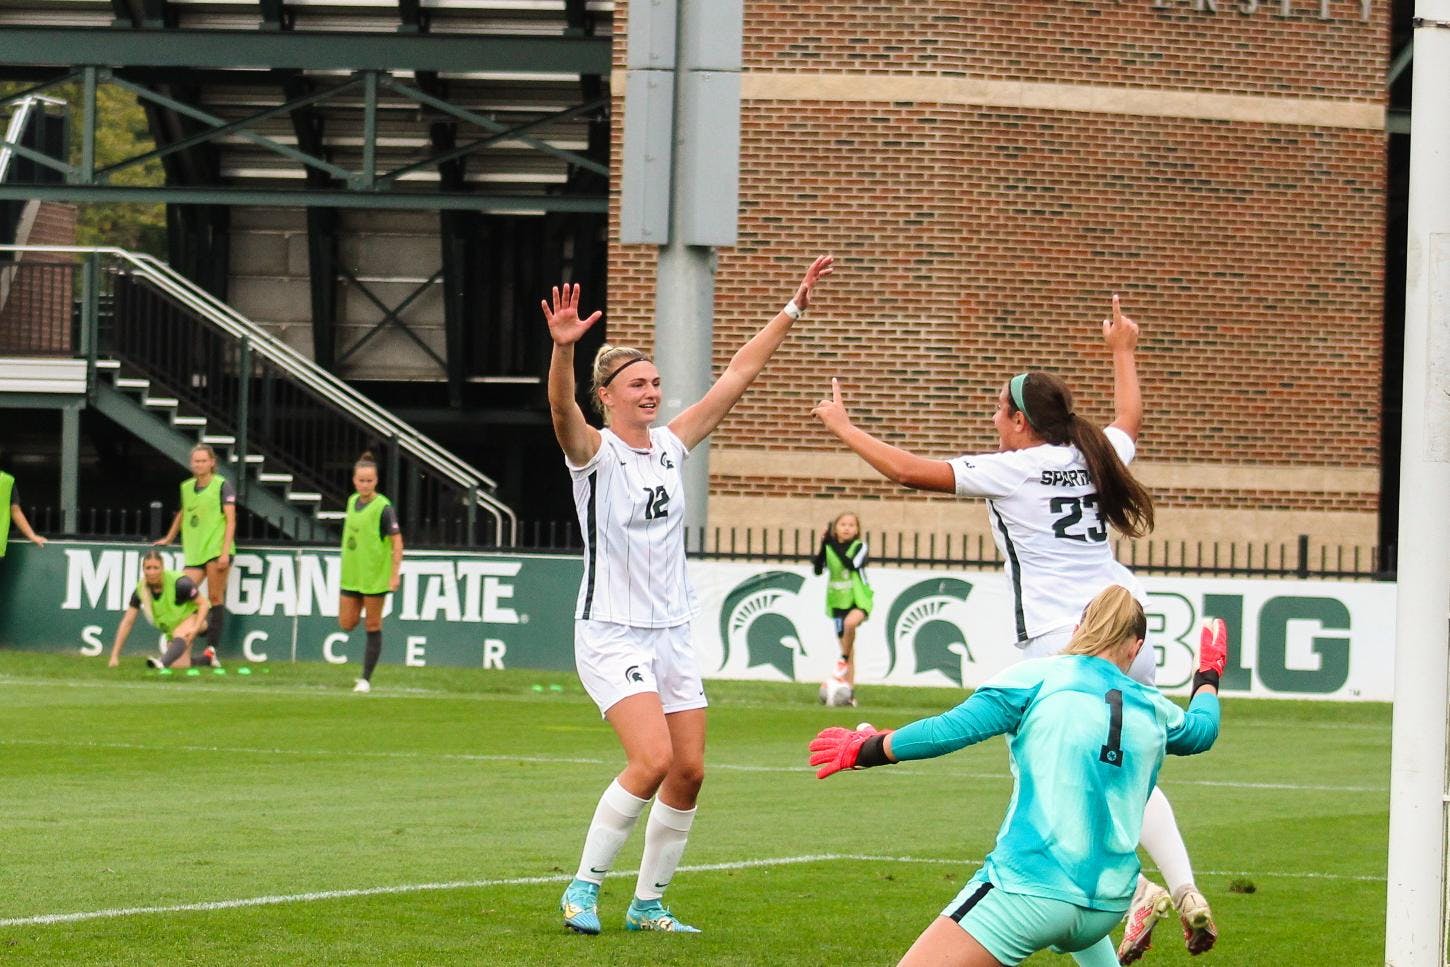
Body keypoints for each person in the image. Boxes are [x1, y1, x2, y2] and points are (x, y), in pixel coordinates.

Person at [810, 296, 1217, 961]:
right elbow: (1130, 419)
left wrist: (842, 425)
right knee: (1114, 771)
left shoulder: (1014, 467)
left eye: (998, 412)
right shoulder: (1095, 453)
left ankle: (1137, 884)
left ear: (1021, 422)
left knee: (1042, 789)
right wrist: (1123, 349)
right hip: (1129, 625)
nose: (992, 422)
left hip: (1064, 644)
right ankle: (1164, 881)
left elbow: (908, 471)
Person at [543, 255, 834, 936]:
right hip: (611, 630)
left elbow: (738, 372)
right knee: (652, 760)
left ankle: (647, 904)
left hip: (671, 631)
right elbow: (560, 408)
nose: (651, 392)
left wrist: (791, 308)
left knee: (691, 770)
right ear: (606, 395)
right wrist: (564, 350)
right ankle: (582, 889)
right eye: (637, 384)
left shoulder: (672, 446)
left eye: (656, 383)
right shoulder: (593, 453)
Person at [808, 586, 1226, 967]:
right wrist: (1208, 675)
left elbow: (949, 730)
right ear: (1135, 649)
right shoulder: (1155, 707)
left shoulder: (1038, 676)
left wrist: (868, 748)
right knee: (1073, 901)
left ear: (1080, 628)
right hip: (1107, 906)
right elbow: (1202, 730)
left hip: (1029, 891)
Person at [154, 444, 236, 657]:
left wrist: (225, 552)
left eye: (203, 460)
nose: (199, 464)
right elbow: (183, 512)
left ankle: (211, 650)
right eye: (196, 461)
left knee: (215, 597)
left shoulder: (222, 486)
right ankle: (203, 628)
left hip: (216, 549)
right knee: (182, 594)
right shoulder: (187, 487)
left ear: (212, 463)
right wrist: (170, 537)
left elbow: (230, 521)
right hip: (195, 551)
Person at [337, 451, 403, 693]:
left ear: (376, 481)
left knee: (372, 625)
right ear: (354, 480)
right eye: (361, 480)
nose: (365, 484)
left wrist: (394, 574)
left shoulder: (384, 508)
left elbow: (397, 542)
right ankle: (364, 677)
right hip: (352, 573)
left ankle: (365, 678)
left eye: (370, 480)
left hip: (374, 575)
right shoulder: (351, 502)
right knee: (346, 623)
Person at [108, 549, 220, 669]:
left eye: (155, 568)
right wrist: (114, 656)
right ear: (143, 570)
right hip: (174, 628)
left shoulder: (180, 583)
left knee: (180, 633)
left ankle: (161, 663)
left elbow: (203, 604)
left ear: (162, 568)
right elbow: (128, 621)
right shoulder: (141, 590)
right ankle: (208, 658)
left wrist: (195, 628)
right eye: (148, 568)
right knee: (179, 664)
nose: (152, 572)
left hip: (201, 618)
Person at [810, 511, 873, 687]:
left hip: (859, 598)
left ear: (857, 530)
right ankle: (848, 689)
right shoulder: (830, 547)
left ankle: (842, 659)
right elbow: (817, 569)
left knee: (850, 624)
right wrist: (824, 544)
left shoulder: (860, 547)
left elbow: (851, 564)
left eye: (851, 525)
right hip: (837, 601)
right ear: (835, 529)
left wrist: (832, 543)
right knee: (848, 647)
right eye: (843, 524)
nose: (847, 528)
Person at [0, 462, 48, 557]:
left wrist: (31, 535)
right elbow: (15, 511)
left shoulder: (7, 481)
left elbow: (15, 511)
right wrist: (31, 535)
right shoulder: (6, 480)